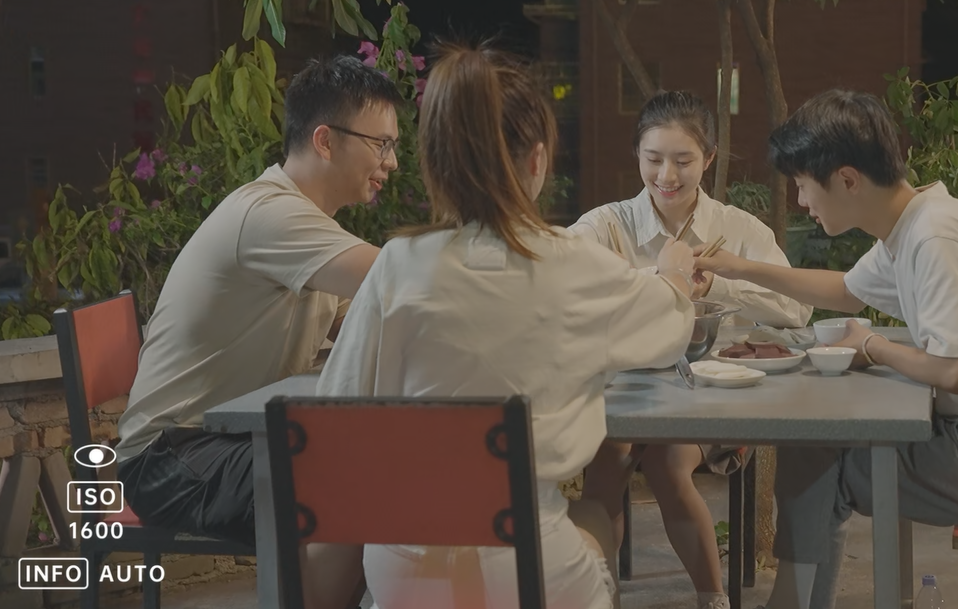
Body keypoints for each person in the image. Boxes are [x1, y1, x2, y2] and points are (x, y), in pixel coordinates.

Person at [316, 42, 699, 609]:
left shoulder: (397, 265)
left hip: (404, 566)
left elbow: (338, 414)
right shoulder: (573, 263)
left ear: (435, 161)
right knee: (594, 515)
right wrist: (676, 275)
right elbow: (669, 325)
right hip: (527, 563)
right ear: (537, 160)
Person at [693, 89, 958, 609]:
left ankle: (791, 603)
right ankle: (793, 602)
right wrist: (739, 268)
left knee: (824, 468)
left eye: (804, 185)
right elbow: (845, 291)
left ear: (847, 179)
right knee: (814, 445)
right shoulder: (917, 221)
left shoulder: (934, 238)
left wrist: (875, 346)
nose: (802, 201)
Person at [116, 55, 400, 608]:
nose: (390, 161)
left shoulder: (311, 226)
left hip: (227, 441)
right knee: (360, 489)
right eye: (381, 144)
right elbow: (401, 279)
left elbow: (367, 320)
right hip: (167, 459)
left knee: (384, 474)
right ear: (325, 140)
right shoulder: (270, 216)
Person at [571, 90, 811, 609]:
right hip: (624, 392)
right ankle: (599, 598)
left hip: (713, 394)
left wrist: (721, 283)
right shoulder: (605, 225)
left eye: (683, 160)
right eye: (653, 159)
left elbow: (797, 309)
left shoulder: (738, 229)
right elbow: (565, 291)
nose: (667, 175)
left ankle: (713, 599)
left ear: (709, 157)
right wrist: (662, 277)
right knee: (606, 465)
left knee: (666, 462)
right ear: (637, 154)